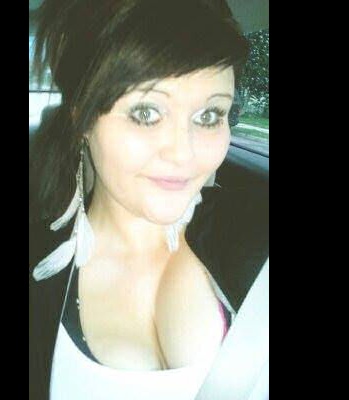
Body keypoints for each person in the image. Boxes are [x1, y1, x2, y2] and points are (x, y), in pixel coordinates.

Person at [29, 0, 250, 399]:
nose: (183, 154)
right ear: (82, 117)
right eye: (146, 113)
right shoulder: (38, 271)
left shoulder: (247, 234)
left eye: (209, 116)